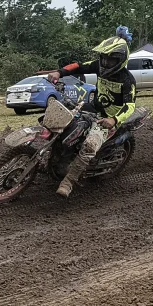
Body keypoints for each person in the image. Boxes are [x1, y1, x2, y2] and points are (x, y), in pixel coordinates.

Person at [46, 32, 137, 197]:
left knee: (89, 145)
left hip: (108, 118)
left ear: (121, 60)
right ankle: (55, 156)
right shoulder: (98, 65)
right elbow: (78, 66)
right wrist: (59, 72)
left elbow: (130, 105)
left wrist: (114, 119)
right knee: (62, 120)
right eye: (104, 58)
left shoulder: (127, 80)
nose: (106, 63)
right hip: (94, 107)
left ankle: (68, 182)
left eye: (111, 60)